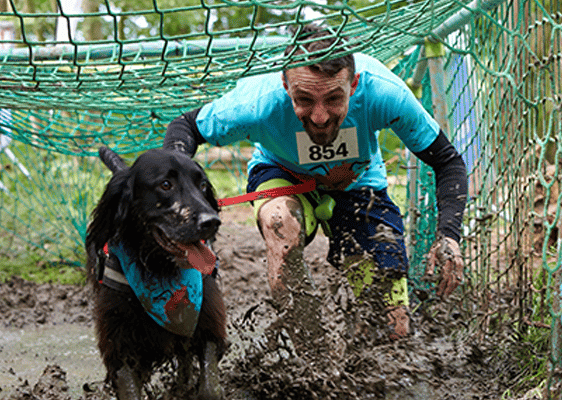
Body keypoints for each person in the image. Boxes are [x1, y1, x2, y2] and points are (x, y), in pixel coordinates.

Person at [163, 24, 468, 340]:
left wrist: (448, 235)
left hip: (359, 184)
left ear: (353, 85)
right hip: (284, 176)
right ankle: (311, 349)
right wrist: (180, 194)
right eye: (304, 99)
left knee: (393, 326)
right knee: (280, 223)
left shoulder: (384, 93)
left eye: (333, 98)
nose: (319, 116)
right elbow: (186, 126)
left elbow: (447, 162)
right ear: (285, 85)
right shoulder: (257, 101)